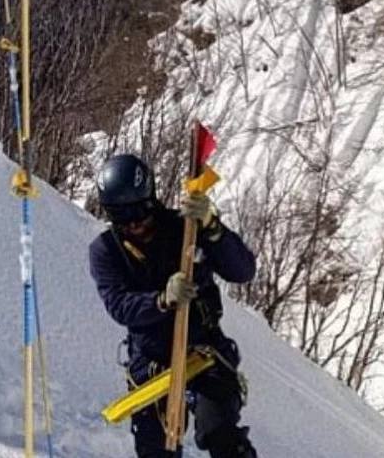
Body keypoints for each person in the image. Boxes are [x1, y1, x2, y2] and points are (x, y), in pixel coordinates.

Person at [88, 154, 258, 457]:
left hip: (203, 352)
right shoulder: (106, 251)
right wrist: (161, 301)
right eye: (123, 218)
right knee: (157, 451)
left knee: (221, 435)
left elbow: (242, 271)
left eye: (140, 212)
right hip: (151, 362)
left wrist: (213, 228)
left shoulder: (186, 228)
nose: (135, 225)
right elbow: (118, 304)